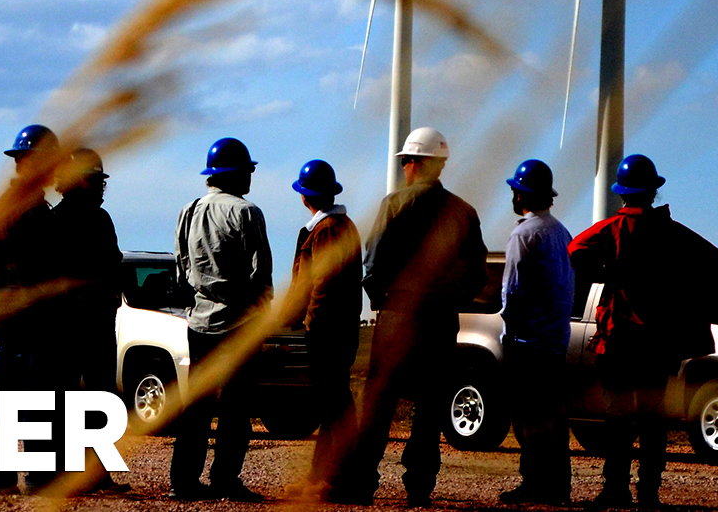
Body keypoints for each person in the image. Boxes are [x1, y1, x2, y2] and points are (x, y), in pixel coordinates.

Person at [335, 127, 486, 507]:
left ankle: (361, 483)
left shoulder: (394, 205)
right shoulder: (463, 212)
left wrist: (384, 302)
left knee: (379, 402)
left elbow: (372, 264)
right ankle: (419, 487)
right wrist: (450, 298)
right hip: (440, 319)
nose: (404, 168)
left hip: (398, 316)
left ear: (413, 163)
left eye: (405, 162)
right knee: (431, 405)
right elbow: (477, 274)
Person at [568, 154, 718, 507]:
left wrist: (608, 272)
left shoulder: (611, 230)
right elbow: (715, 259)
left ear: (621, 194)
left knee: (618, 419)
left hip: (620, 343)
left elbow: (574, 250)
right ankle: (649, 493)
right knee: (654, 419)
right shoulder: (674, 234)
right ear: (653, 191)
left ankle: (616, 490)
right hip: (659, 344)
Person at [169, 137, 273, 502]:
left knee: (195, 406)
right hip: (239, 324)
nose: (251, 177)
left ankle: (182, 480)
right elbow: (262, 275)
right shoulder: (247, 213)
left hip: (199, 324)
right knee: (235, 409)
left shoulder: (190, 210)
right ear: (236, 173)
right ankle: (225, 478)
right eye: (248, 170)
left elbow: (181, 270)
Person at [0, 124, 71, 495]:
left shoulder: (1, 206)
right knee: (38, 400)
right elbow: (42, 268)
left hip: (7, 317)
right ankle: (38, 477)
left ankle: (1, 476)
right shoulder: (33, 212)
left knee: (7, 402)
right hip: (33, 318)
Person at [51, 148, 131, 494]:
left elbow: (114, 263)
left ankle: (94, 474)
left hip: (97, 321)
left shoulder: (101, 219)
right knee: (69, 398)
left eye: (102, 181)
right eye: (95, 180)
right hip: (71, 323)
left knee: (99, 398)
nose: (101, 187)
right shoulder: (60, 221)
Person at [498, 159, 576, 505]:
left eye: (515, 190)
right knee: (553, 416)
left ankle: (535, 483)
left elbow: (512, 291)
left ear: (522, 194)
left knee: (528, 418)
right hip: (556, 341)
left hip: (527, 342)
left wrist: (508, 333)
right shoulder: (562, 233)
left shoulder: (523, 235)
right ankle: (559, 485)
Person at [286, 159, 362, 494]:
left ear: (305, 197)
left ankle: (337, 479)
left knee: (334, 406)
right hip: (338, 329)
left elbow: (321, 284)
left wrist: (310, 324)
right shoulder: (335, 226)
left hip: (327, 331)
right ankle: (322, 476)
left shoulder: (328, 229)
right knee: (331, 405)